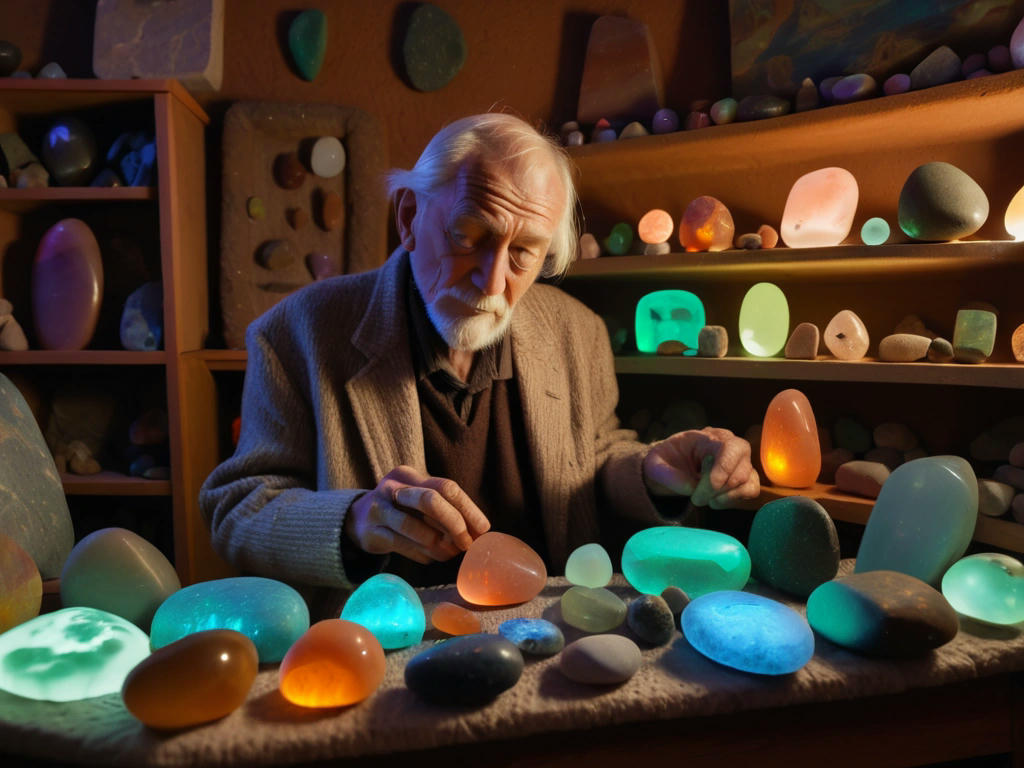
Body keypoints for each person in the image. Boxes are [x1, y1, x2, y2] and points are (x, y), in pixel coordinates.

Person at [199, 112, 759, 592]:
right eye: (469, 237)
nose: (492, 283)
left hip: (549, 632)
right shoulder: (296, 332)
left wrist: (652, 470)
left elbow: (592, 460)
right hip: (383, 647)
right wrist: (353, 520)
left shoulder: (577, 333)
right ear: (409, 218)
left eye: (522, 254)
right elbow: (237, 510)